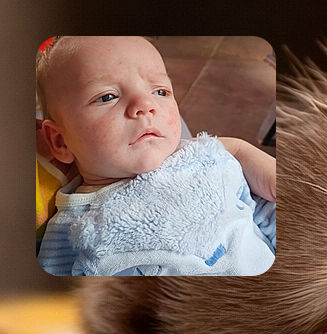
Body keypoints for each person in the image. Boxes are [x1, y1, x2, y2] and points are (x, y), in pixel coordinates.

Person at [36, 36, 276, 276]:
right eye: (108, 97)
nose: (145, 104)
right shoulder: (71, 230)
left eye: (160, 91)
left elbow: (262, 213)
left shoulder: (206, 159)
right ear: (60, 141)